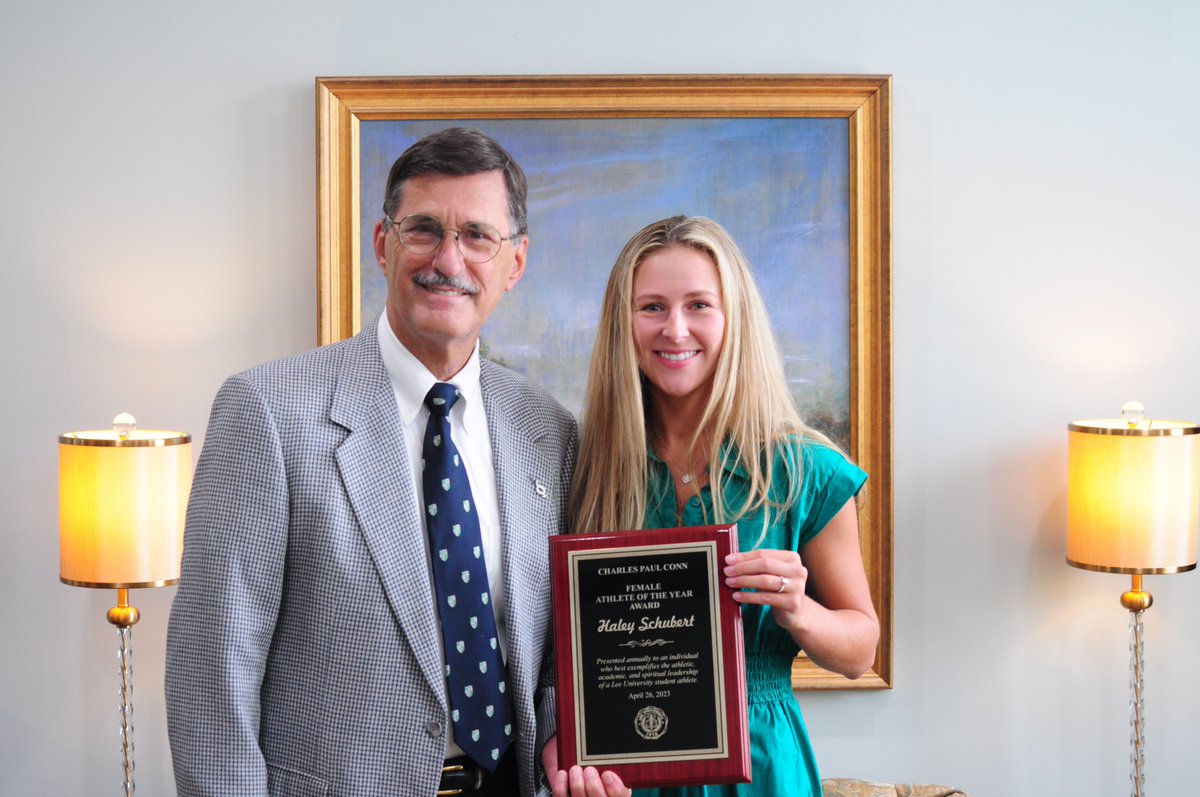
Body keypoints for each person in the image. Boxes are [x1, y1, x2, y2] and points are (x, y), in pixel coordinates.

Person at [166, 127, 577, 796]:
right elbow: (213, 670)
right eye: (423, 230)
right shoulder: (267, 411)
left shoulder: (547, 430)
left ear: (515, 264)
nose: (448, 259)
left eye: (477, 236)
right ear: (383, 244)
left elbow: (554, 652)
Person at [556, 215, 879, 797]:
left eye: (699, 305)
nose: (675, 329)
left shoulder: (806, 471)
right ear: (622, 325)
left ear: (734, 320)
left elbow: (860, 650)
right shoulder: (583, 469)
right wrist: (562, 737)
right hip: (623, 769)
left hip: (760, 766)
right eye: (651, 306)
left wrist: (799, 610)